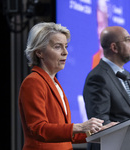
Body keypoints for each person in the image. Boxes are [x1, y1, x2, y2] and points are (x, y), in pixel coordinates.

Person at [18, 22, 116, 150]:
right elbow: (38, 129)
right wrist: (80, 126)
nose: (65, 52)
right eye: (58, 47)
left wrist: (100, 132)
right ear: (39, 52)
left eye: (66, 46)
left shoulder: (55, 83)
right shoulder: (33, 82)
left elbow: (67, 135)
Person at [83, 26, 130, 150]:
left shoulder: (126, 75)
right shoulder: (98, 77)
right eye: (128, 40)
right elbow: (100, 123)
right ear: (114, 47)